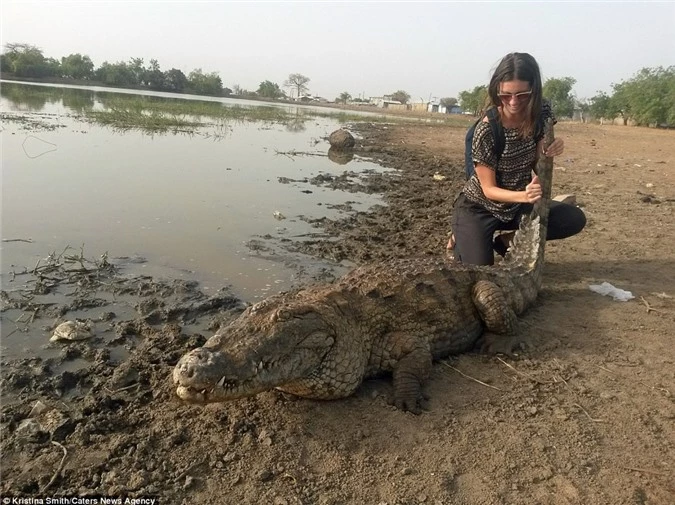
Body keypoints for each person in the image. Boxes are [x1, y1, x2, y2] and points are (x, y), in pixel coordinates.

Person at [448, 52, 586, 265]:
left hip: (517, 206)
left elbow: (539, 160)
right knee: (480, 271)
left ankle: (507, 241)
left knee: (572, 218)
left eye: (522, 95)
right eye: (506, 95)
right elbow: (488, 190)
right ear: (497, 90)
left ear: (534, 91)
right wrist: (524, 196)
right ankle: (462, 234)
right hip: (480, 207)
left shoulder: (542, 113)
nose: (514, 102)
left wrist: (551, 148)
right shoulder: (486, 129)